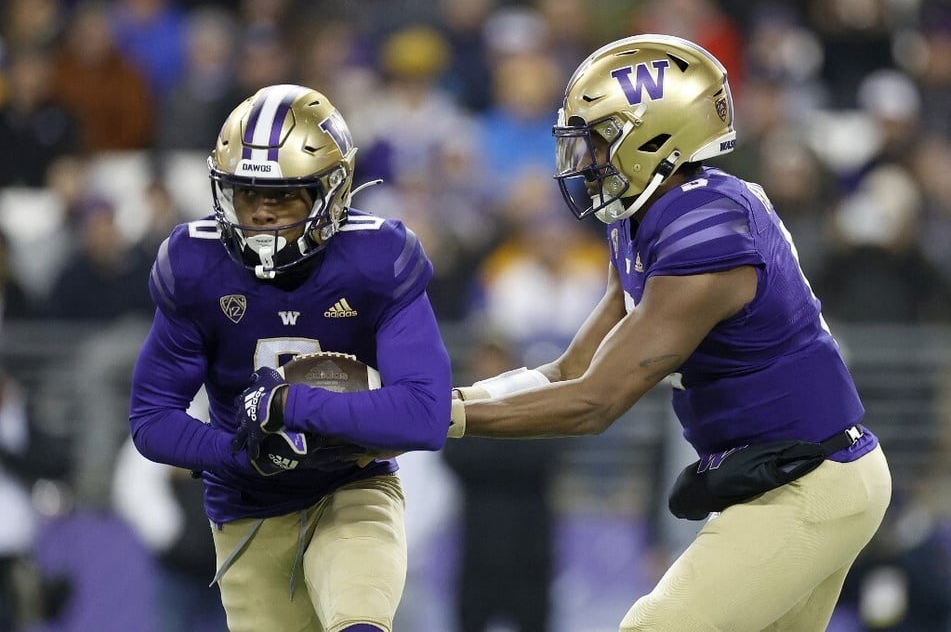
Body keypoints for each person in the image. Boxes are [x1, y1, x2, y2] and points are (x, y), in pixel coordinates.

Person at [447, 34, 892, 631]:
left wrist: (440, 421)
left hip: (808, 480)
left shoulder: (705, 230)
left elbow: (594, 401)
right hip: (788, 475)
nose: (586, 160)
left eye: (600, 139)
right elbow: (570, 368)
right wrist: (454, 401)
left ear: (653, 136)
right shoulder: (652, 215)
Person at [128, 84, 452, 632]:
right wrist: (240, 453)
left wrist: (290, 406)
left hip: (351, 486)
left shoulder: (378, 259)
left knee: (360, 622)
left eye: (282, 197)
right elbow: (150, 417)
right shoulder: (194, 263)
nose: (260, 215)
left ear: (331, 193)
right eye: (246, 194)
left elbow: (424, 414)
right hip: (246, 506)